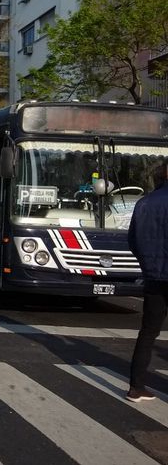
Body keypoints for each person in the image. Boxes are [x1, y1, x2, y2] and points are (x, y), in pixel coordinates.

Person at [127, 162, 168, 402]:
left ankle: (136, 387)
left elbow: (133, 241)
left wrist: (147, 263)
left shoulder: (144, 203)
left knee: (148, 332)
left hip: (153, 277)